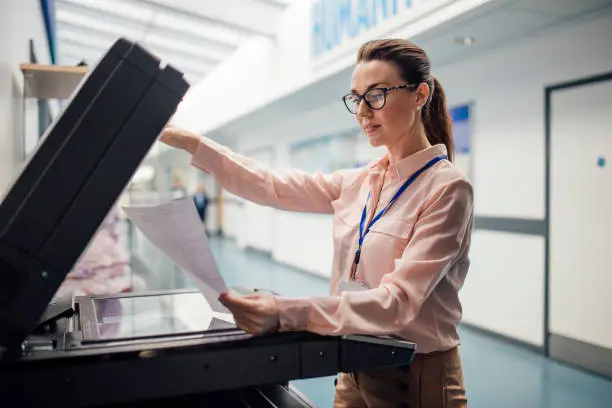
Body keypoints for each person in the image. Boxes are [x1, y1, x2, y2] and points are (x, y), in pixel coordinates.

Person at [159, 38, 473, 407]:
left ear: (420, 95)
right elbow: (273, 186)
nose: (362, 112)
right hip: (354, 362)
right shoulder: (362, 180)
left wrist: (285, 313)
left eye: (376, 95)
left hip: (415, 377)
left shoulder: (448, 189)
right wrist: (190, 142)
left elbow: (397, 304)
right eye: (356, 98)